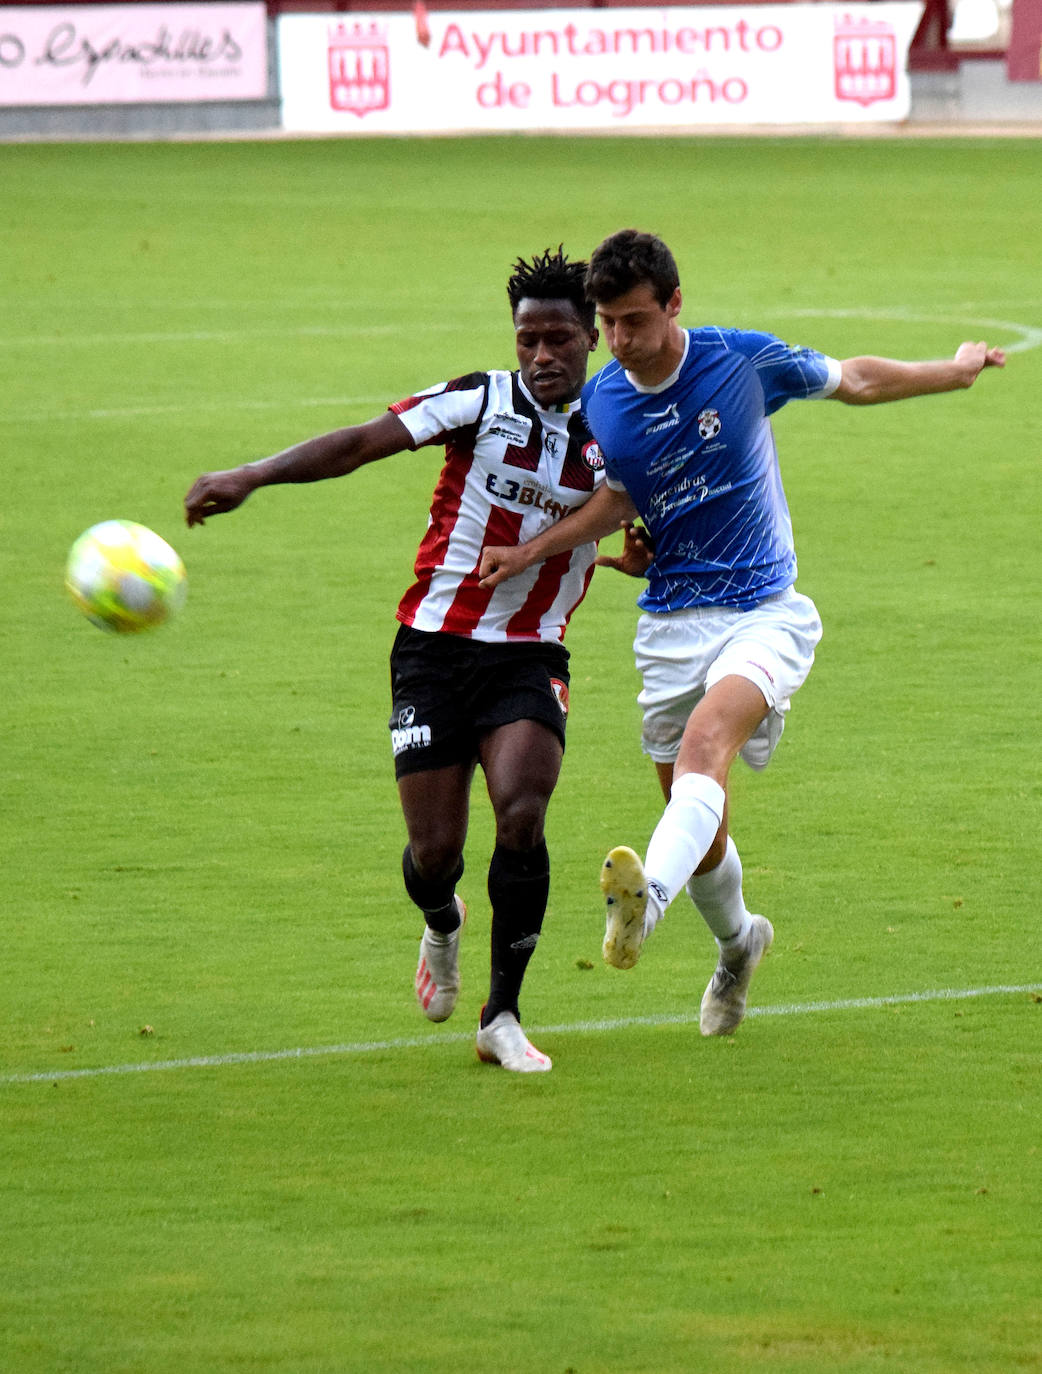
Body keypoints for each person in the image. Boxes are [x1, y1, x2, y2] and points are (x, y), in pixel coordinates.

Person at [479, 228, 1006, 1037]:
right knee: (703, 821)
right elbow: (617, 499)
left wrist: (956, 372)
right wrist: (534, 549)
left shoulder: (740, 362)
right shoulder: (606, 400)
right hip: (668, 626)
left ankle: (645, 901)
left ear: (675, 304)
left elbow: (854, 380)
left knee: (704, 750)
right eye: (608, 323)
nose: (619, 340)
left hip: (763, 611)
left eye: (635, 321)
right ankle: (738, 946)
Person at [183, 247, 622, 1074]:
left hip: (529, 654)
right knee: (434, 856)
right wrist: (253, 474)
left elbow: (645, 514)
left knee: (522, 811)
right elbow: (358, 443)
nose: (541, 357)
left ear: (591, 337)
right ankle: (442, 920)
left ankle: (503, 1015)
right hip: (431, 648)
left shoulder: (619, 426)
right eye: (528, 339)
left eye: (559, 339)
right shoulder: (476, 401)